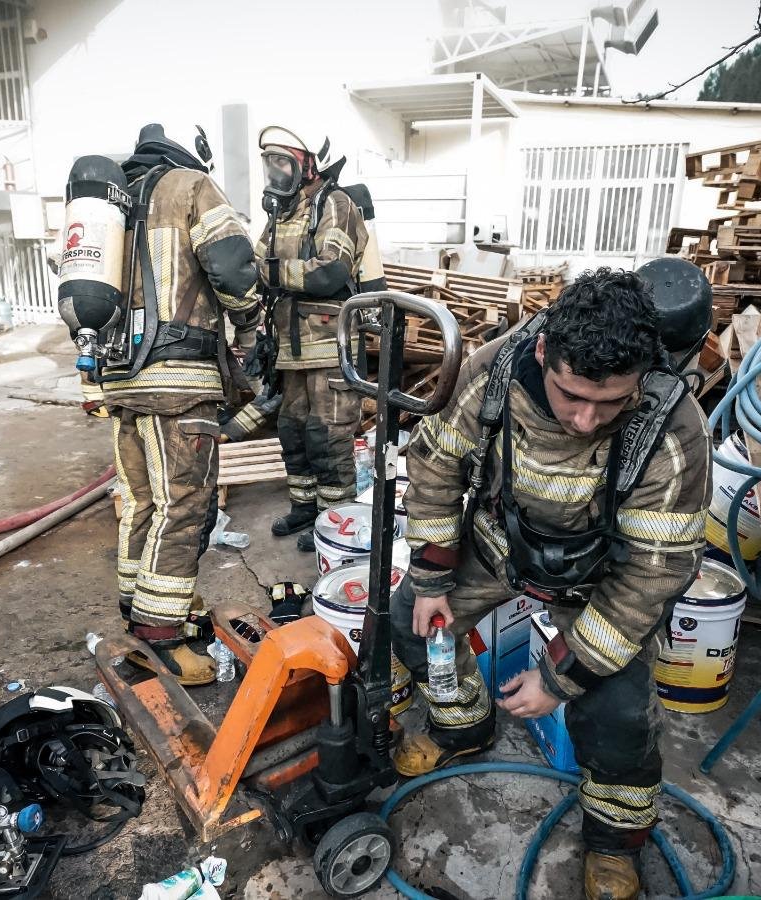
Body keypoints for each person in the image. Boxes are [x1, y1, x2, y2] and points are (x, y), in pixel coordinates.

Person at [391, 268, 711, 899]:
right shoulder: (491, 373)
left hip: (601, 582)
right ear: (543, 352)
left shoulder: (674, 430)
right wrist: (430, 577)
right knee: (411, 621)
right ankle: (463, 726)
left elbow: (652, 575)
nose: (586, 420)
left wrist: (560, 677)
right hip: (498, 547)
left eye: (610, 403)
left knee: (618, 715)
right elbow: (436, 465)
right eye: (571, 396)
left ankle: (614, 840)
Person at [99, 124, 261, 685]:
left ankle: (138, 609)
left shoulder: (111, 205)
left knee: (141, 502)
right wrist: (249, 316)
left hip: (121, 381)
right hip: (179, 381)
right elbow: (232, 265)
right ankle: (161, 637)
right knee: (184, 506)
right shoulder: (189, 186)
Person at [253, 126, 372, 552]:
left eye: (283, 161)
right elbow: (253, 261)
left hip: (328, 348)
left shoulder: (335, 204)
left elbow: (330, 271)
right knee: (293, 431)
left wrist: (271, 273)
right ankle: (305, 508)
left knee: (328, 438)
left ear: (310, 165)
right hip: (290, 349)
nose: (275, 172)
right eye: (270, 163)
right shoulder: (281, 214)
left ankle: (334, 522)